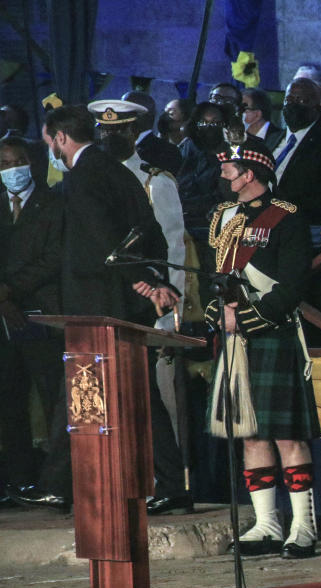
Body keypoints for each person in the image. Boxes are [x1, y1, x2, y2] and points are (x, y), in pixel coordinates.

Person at [10, 105, 172, 511]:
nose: (51, 150)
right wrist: (149, 279)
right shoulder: (114, 169)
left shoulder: (84, 177)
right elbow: (146, 230)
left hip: (101, 306)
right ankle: (68, 482)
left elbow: (105, 243)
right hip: (110, 304)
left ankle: (66, 483)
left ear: (60, 138)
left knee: (103, 396)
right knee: (105, 396)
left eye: (49, 143)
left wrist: (138, 281)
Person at [205, 136, 321, 559]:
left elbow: (292, 286)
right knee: (251, 435)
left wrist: (246, 319)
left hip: (272, 333)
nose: (221, 175)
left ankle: (303, 527)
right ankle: (267, 525)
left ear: (249, 175)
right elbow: (210, 275)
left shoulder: (286, 218)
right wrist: (219, 316)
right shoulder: (220, 216)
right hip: (235, 339)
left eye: (228, 169)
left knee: (288, 435)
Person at [87, 99, 192, 515]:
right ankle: (124, 480)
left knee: (147, 400)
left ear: (135, 133)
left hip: (145, 307)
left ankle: (169, 481)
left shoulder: (154, 182)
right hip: (105, 305)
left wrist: (168, 319)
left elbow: (173, 251)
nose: (110, 136)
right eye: (104, 130)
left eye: (119, 130)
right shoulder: (91, 177)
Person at [0, 136, 63, 497]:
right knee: (9, 399)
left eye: (18, 161)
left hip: (41, 315)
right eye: (5, 164)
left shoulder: (53, 204)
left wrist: (10, 291)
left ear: (34, 162)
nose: (12, 170)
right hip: (4, 318)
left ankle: (54, 482)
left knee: (52, 396)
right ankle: (18, 478)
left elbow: (54, 257)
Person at [272, 78, 321, 226]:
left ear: (316, 107)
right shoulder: (272, 139)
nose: (293, 104)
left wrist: (278, 208)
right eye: (289, 99)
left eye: (301, 100)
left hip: (300, 224)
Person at [178, 101, 232, 221]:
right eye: (203, 122)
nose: (209, 127)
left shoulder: (230, 155)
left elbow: (221, 196)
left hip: (209, 221)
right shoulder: (188, 147)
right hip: (179, 217)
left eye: (215, 123)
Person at [122, 91, 183, 176]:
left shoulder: (167, 152)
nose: (122, 117)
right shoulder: (118, 146)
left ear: (148, 117)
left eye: (130, 112)